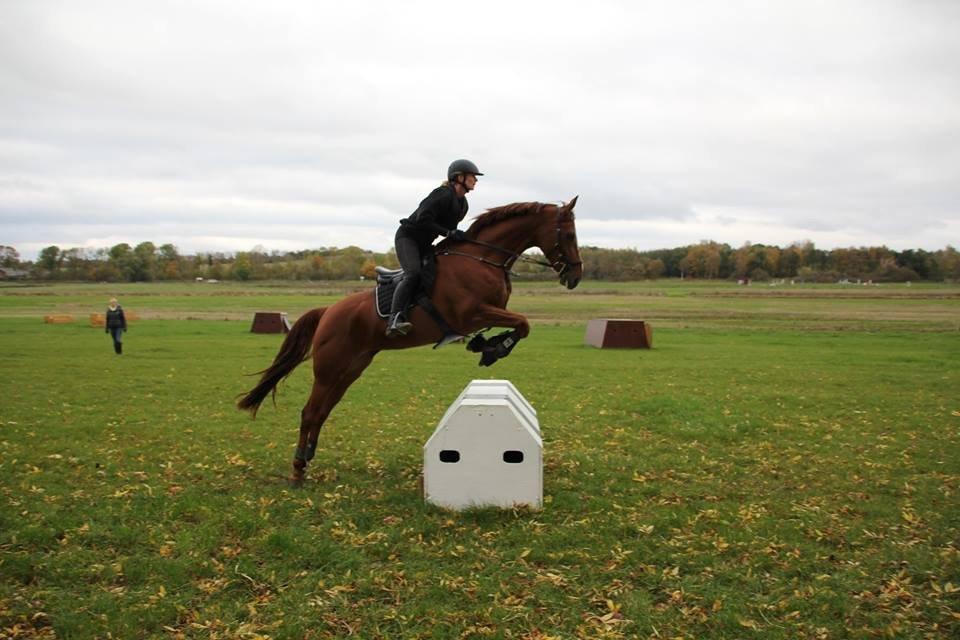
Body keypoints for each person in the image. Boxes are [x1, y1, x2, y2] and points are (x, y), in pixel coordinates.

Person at [386, 159, 483, 337]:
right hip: (408, 238)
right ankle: (394, 319)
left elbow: (449, 231)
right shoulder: (442, 194)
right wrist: (448, 233)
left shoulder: (463, 204)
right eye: (472, 176)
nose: (476, 180)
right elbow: (423, 219)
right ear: (459, 177)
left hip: (425, 244)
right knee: (413, 274)